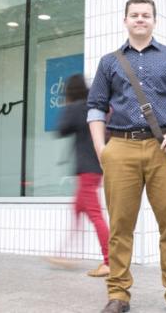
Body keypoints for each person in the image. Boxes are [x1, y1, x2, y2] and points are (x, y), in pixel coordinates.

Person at [87, 0, 166, 313]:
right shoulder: (109, 62)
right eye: (134, 14)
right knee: (120, 226)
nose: (140, 19)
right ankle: (118, 295)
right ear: (125, 20)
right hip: (120, 147)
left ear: (154, 20)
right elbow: (95, 105)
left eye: (145, 15)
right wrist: (101, 149)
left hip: (164, 146)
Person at [45, 74, 110, 277]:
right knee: (77, 210)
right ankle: (66, 254)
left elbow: (61, 129)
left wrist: (67, 105)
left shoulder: (76, 107)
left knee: (95, 216)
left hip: (86, 170)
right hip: (94, 169)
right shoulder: (92, 107)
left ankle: (110, 261)